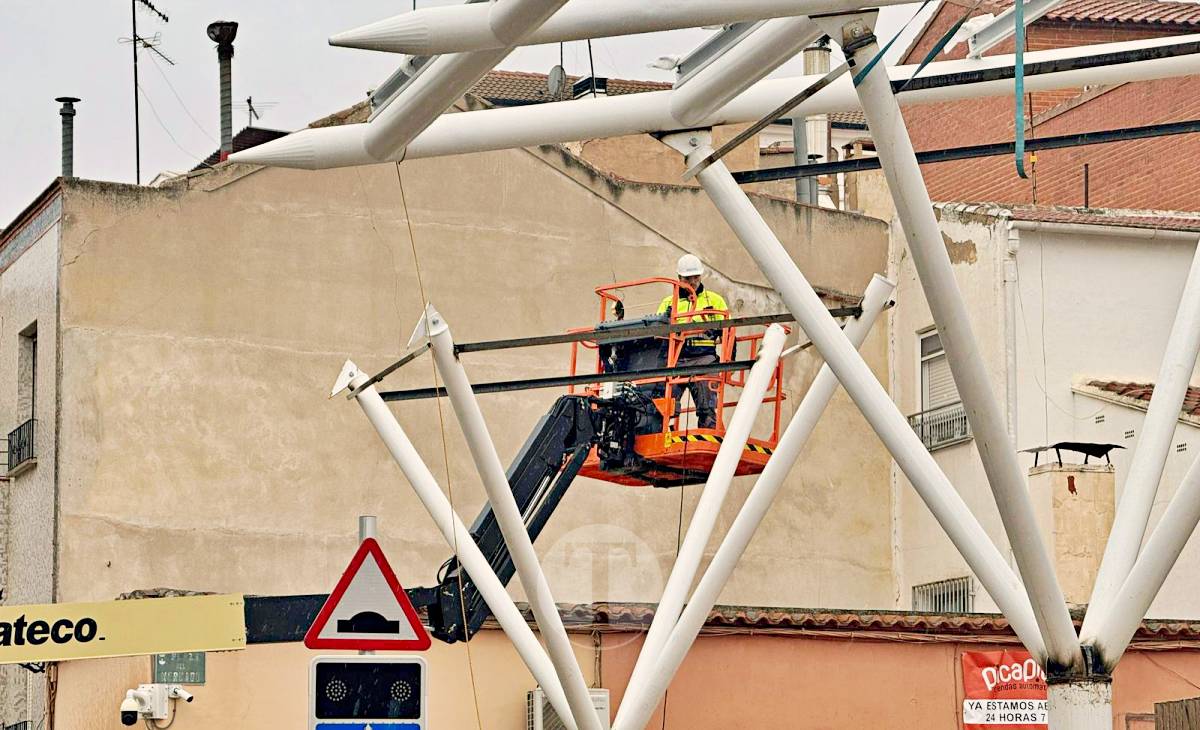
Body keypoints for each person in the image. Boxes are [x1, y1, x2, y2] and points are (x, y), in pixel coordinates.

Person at [657, 254, 728, 429]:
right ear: (679, 278)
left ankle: (708, 433)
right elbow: (658, 335)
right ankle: (666, 433)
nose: (693, 281)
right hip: (676, 360)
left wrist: (729, 364)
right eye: (688, 278)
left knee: (707, 406)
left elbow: (728, 331)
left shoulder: (714, 301)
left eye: (696, 277)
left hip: (705, 359)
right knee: (663, 405)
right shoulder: (668, 303)